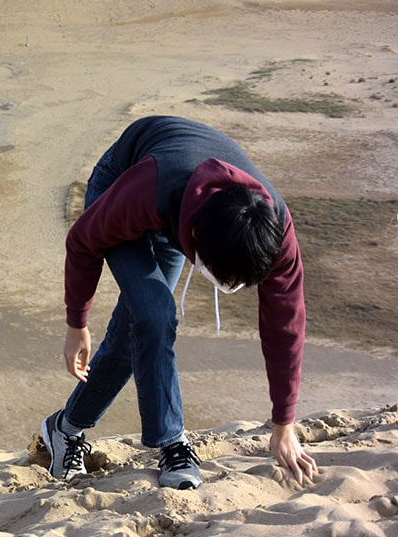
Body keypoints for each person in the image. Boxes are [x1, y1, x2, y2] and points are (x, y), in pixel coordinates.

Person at [41, 115, 318, 490]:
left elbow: (285, 325)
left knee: (135, 332)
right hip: (121, 181)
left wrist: (284, 424)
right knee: (155, 313)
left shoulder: (273, 229)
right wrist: (77, 324)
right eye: (225, 277)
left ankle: (64, 429)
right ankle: (172, 443)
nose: (230, 286)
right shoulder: (152, 188)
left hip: (180, 210)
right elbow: (82, 241)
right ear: (197, 241)